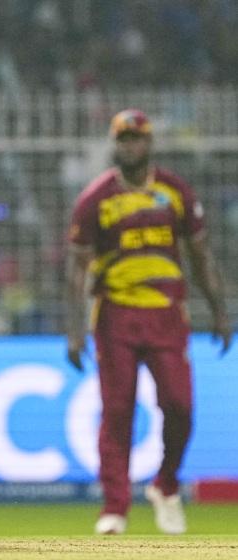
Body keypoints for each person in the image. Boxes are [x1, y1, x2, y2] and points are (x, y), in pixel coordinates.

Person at [65, 109, 232, 535]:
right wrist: (75, 329)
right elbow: (77, 269)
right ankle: (115, 507)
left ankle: (166, 484)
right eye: (123, 139)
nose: (130, 146)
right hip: (115, 316)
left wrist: (220, 311)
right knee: (117, 411)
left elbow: (201, 256)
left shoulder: (175, 191)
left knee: (180, 406)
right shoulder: (96, 199)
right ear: (115, 145)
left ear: (149, 143)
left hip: (167, 316)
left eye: (136, 138)